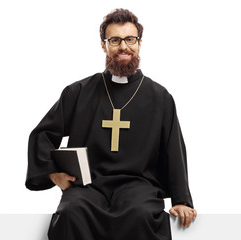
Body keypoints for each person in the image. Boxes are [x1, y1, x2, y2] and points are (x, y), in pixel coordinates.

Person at [26, 8, 197, 240]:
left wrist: (182, 200)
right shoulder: (78, 92)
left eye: (130, 39)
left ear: (139, 43)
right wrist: (52, 173)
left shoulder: (160, 97)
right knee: (70, 212)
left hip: (139, 187)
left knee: (141, 214)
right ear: (103, 45)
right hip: (87, 187)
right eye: (115, 40)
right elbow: (43, 133)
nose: (123, 47)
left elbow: (173, 149)